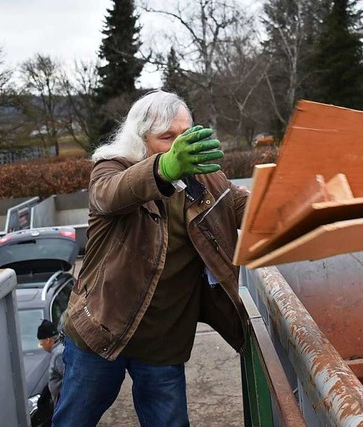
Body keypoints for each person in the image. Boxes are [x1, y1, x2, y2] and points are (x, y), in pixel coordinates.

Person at [53, 90, 250, 427]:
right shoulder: (112, 169)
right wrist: (167, 167)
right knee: (74, 420)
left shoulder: (205, 179)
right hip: (103, 329)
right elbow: (111, 195)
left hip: (163, 341)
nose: (178, 145)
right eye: (166, 137)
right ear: (140, 139)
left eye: (183, 136)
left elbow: (248, 210)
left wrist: (294, 199)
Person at [37, 319, 65, 406]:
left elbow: (69, 380)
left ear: (48, 340)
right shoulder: (59, 349)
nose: (41, 346)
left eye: (41, 343)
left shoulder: (59, 355)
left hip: (64, 402)